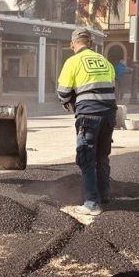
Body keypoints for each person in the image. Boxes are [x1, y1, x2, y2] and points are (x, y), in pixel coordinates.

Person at [57, 29, 117, 216]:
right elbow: (111, 86)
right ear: (90, 43)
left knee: (86, 157)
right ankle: (104, 193)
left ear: (73, 43)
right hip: (108, 114)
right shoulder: (105, 62)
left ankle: (91, 203)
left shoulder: (72, 61)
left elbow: (63, 91)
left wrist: (67, 101)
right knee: (102, 155)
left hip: (89, 115)